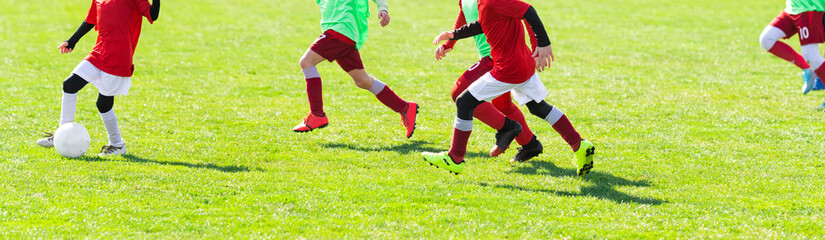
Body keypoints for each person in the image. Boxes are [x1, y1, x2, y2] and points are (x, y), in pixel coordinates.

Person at [423, 0, 595, 176]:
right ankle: (579, 145)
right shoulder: (484, 3)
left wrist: (542, 43)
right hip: (522, 62)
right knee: (538, 107)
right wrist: (453, 35)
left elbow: (529, 11)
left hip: (508, 68)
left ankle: (455, 158)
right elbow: (484, 23)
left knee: (464, 102)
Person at [37, 0, 161, 157]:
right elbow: (90, 20)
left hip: (118, 58)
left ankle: (117, 145)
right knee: (69, 85)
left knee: (103, 104)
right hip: (99, 53)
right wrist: (72, 41)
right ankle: (61, 134)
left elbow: (153, 15)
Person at [434, 0, 543, 162]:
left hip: (498, 58)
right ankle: (529, 144)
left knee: (459, 94)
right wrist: (451, 41)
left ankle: (507, 129)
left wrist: (537, 46)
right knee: (502, 105)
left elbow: (524, 11)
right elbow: (465, 12)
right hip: (489, 56)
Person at [294, 0, 418, 138]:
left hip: (340, 31)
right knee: (362, 81)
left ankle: (317, 114)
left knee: (306, 62)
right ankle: (405, 107)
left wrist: (383, 9)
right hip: (343, 34)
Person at [759, 0, 825, 98]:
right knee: (766, 39)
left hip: (810, 8)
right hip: (792, 8)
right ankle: (807, 68)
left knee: (812, 56)